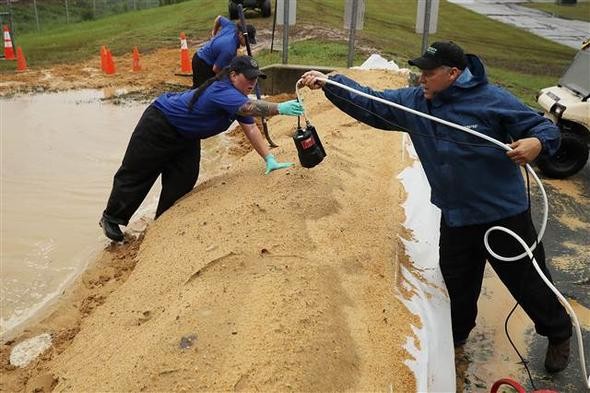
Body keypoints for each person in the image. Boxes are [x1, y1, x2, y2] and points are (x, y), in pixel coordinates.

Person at [299, 41, 572, 373]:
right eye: (420, 72)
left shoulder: (492, 100)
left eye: (429, 72)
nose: (421, 78)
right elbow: (374, 104)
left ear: (453, 73)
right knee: (457, 284)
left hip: (503, 216)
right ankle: (454, 338)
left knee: (527, 283)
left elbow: (541, 127)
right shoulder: (416, 103)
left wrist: (537, 143)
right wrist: (332, 84)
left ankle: (558, 333)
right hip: (456, 217)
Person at [100, 55, 302, 242]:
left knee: (184, 179)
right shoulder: (222, 90)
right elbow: (249, 109)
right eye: (248, 78)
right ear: (233, 75)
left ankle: (161, 223)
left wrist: (269, 158)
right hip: (160, 123)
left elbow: (250, 128)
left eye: (256, 79)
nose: (252, 83)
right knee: (139, 171)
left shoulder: (237, 96)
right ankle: (112, 218)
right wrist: (279, 108)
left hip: (187, 136)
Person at [192, 15, 256, 89]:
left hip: (202, 58)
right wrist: (227, 82)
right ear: (241, 35)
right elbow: (216, 69)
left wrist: (214, 33)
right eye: (247, 41)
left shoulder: (231, 26)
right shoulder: (229, 49)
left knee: (201, 90)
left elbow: (219, 18)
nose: (248, 44)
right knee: (203, 91)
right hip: (202, 64)